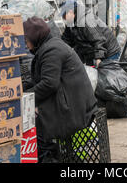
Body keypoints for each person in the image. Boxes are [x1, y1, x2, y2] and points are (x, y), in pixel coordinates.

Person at [23, 16, 98, 162]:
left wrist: (25, 98)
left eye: (26, 40)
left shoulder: (52, 50)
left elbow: (49, 84)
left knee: (36, 132)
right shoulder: (48, 47)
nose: (25, 44)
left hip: (73, 109)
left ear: (35, 37)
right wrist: (21, 88)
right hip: (70, 102)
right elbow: (39, 79)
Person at [60, 0, 121, 67]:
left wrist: (99, 58)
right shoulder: (71, 23)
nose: (64, 19)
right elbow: (66, 40)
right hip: (91, 52)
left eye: (64, 16)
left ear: (70, 12)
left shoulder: (87, 20)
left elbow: (99, 40)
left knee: (107, 75)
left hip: (109, 52)